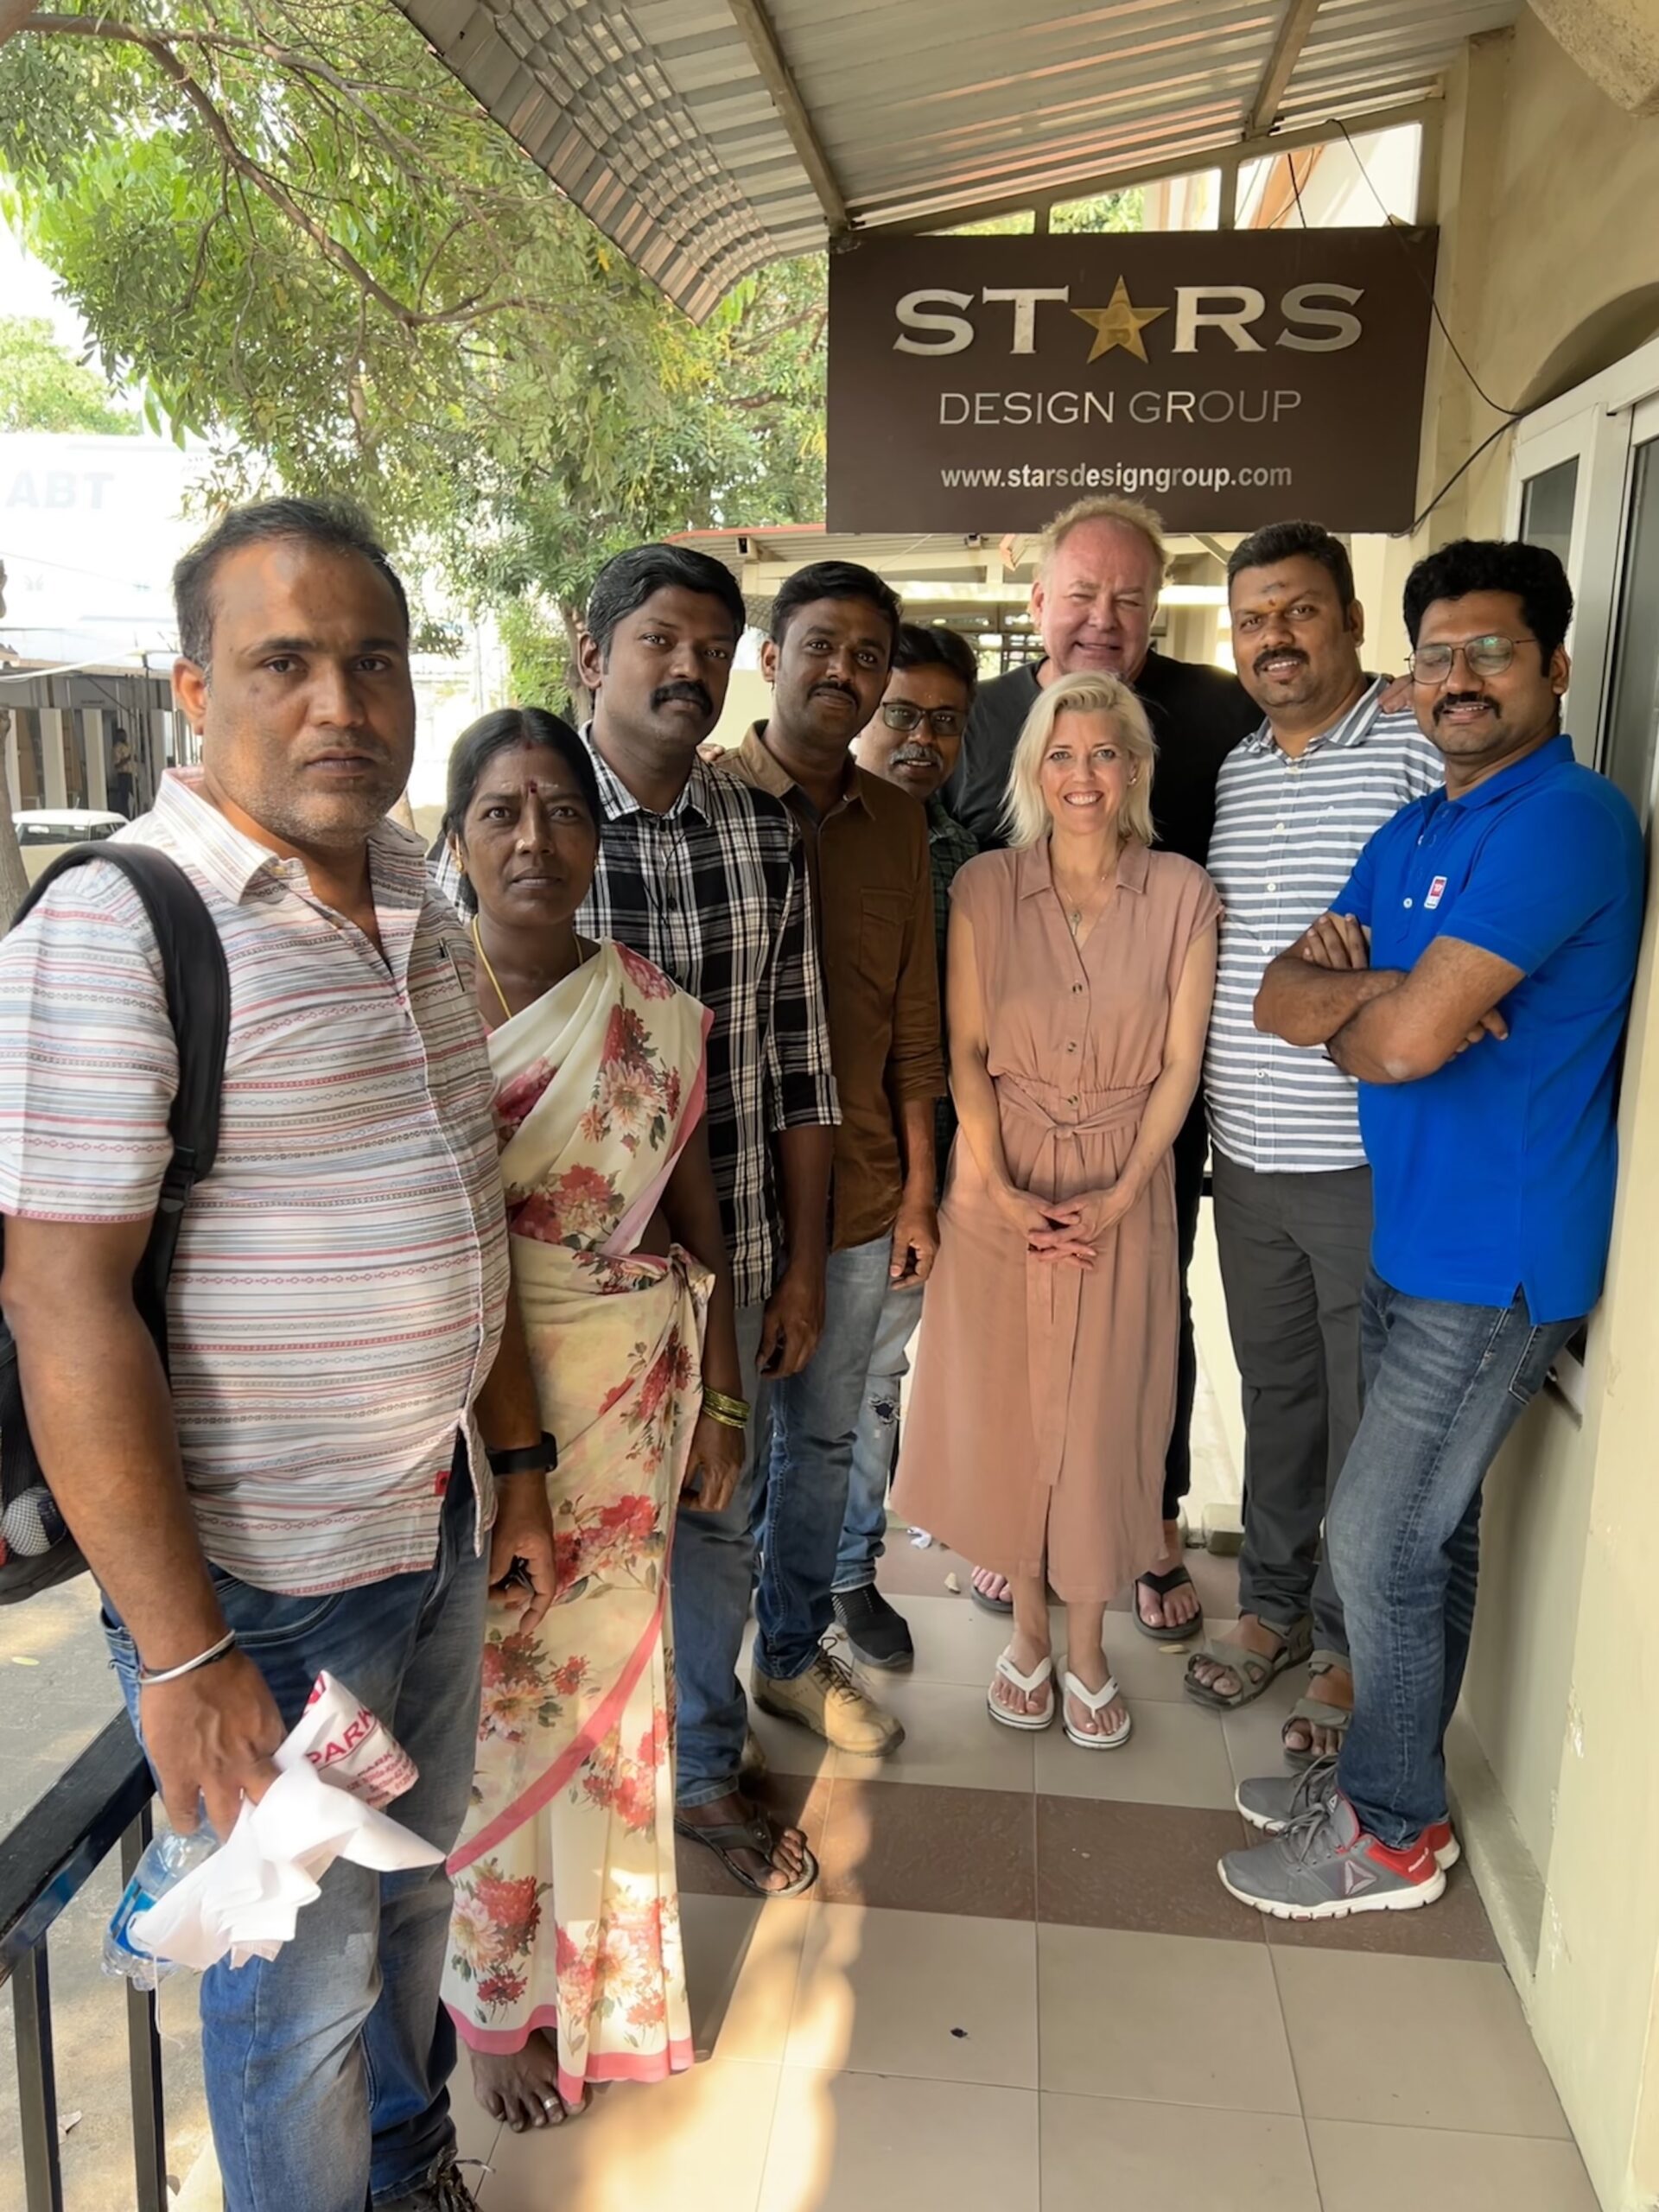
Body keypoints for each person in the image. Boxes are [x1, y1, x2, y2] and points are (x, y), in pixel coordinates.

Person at [0, 499, 558, 2212]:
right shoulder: (118, 922)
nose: (339, 702)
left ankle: (407, 2163)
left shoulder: (420, 895)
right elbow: (61, 1296)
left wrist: (519, 1464)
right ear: (191, 689)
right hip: (264, 1591)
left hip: (433, 1527)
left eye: (370, 660)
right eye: (284, 662)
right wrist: (182, 1654)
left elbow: (476, 1208)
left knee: (409, 1895)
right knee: (294, 2001)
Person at [1222, 538, 1644, 1919]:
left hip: (1496, 1261)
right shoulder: (1415, 829)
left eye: (1493, 652)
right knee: (1433, 1543)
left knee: (1376, 1541)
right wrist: (1395, 1002)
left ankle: (1390, 1832)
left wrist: (1387, 1011)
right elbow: (1285, 1003)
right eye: (1440, 655)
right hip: (1413, 1237)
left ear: (1556, 668)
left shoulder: (1566, 820)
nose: (1459, 679)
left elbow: (1395, 1047)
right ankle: (1384, 1784)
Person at [436, 709, 743, 2132]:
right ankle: (494, 2007)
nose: (531, 840)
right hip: (459, 1427)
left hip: (624, 1415)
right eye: (498, 811)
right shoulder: (413, 1011)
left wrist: (726, 1395)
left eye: (561, 811)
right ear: (454, 838)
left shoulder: (658, 1014)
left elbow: (698, 1220)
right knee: (490, 1709)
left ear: (597, 839)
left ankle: (609, 1993)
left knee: (608, 1717)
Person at [569, 543, 838, 1899]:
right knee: (571, 1542)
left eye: (711, 647)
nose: (689, 667)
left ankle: (700, 1768)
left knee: (720, 1522)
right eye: (660, 641)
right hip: (570, 1286)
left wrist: (795, 1270)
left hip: (726, 1258)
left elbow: (798, 1059)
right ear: (592, 654)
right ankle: (574, 1788)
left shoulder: (757, 830)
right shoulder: (527, 817)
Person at [946, 498, 1258, 1635]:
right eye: (1080, 594)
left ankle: (1149, 1520)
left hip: (1149, 1086)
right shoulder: (978, 721)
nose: (1102, 617)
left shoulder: (1223, 713)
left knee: (1143, 1313)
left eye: (1129, 597)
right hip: (1009, 1083)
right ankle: (1010, 1520)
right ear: (1037, 603)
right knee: (1007, 1311)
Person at [895, 672, 1219, 1746]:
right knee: (1007, 1416)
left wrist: (1123, 1191)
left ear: (1136, 769)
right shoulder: (986, 887)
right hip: (1000, 1183)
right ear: (1035, 768)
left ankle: (1088, 1645)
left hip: (1129, 1181)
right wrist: (1001, 1182)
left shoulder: (1183, 893)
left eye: (1105, 753)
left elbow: (1180, 1064)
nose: (1083, 775)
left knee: (1103, 1420)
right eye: (1062, 754)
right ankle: (1025, 1635)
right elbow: (968, 1057)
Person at [1184, 522, 1441, 1759]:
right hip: (1247, 1153)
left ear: (1347, 617)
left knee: (1359, 1404)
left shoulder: (1410, 748)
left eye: (1296, 612)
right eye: (1252, 619)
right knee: (1278, 1390)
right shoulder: (1237, 768)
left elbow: (1438, 943)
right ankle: (1273, 1605)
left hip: (1361, 1156)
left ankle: (1342, 1645)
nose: (1274, 638)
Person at [716, 562, 944, 1747]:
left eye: (867, 655)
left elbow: (915, 1021)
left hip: (857, 1196)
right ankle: (697, 1687)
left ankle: (794, 1656)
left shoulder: (898, 821)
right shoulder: (700, 805)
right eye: (821, 646)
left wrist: (919, 1189)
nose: (843, 671)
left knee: (825, 1437)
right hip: (717, 1200)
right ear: (772, 657)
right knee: (718, 1444)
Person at [831, 621, 979, 1668]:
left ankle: (846, 1570)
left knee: (876, 1377)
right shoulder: (793, 826)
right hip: (796, 1157)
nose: (921, 737)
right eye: (901, 714)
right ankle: (761, 1568)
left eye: (944, 721)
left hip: (917, 1163)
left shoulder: (969, 866)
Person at [108, 724, 137, 817]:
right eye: (122, 735)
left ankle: (135, 816)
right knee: (124, 799)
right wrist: (128, 758)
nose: (125, 737)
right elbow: (117, 765)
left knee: (138, 796)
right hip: (123, 775)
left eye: (125, 735)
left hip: (131, 774)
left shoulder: (128, 746)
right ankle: (126, 817)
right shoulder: (117, 748)